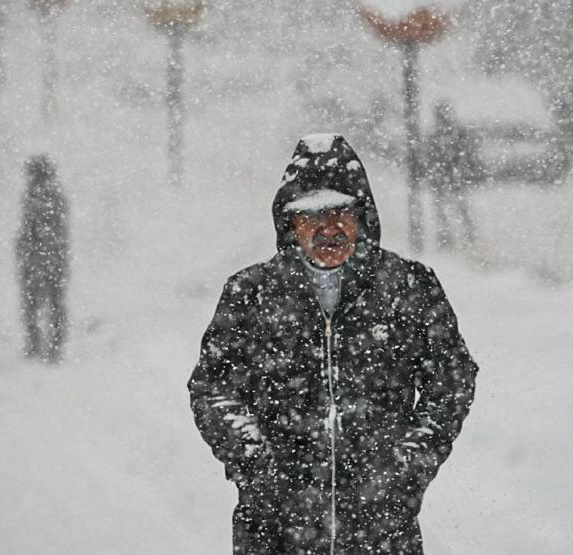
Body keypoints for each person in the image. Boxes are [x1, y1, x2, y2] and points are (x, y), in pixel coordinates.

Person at [188, 134, 478, 554]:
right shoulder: (251, 294)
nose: (329, 227)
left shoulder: (408, 287)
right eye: (311, 215)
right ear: (290, 223)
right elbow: (213, 388)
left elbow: (452, 381)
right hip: (275, 534)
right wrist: (256, 465)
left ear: (363, 215)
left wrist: (407, 469)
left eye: (341, 211)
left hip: (382, 533)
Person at [15, 154, 69, 362]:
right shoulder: (52, 195)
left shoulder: (39, 196)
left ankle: (39, 344)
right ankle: (49, 344)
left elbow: (35, 229)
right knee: (51, 303)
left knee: (36, 303)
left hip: (40, 259)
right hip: (49, 259)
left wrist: (28, 248)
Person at [426, 101, 483, 250]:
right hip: (447, 177)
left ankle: (459, 237)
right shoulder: (446, 135)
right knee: (449, 209)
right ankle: (454, 237)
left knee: (453, 209)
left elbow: (466, 154)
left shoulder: (449, 135)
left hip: (448, 177)